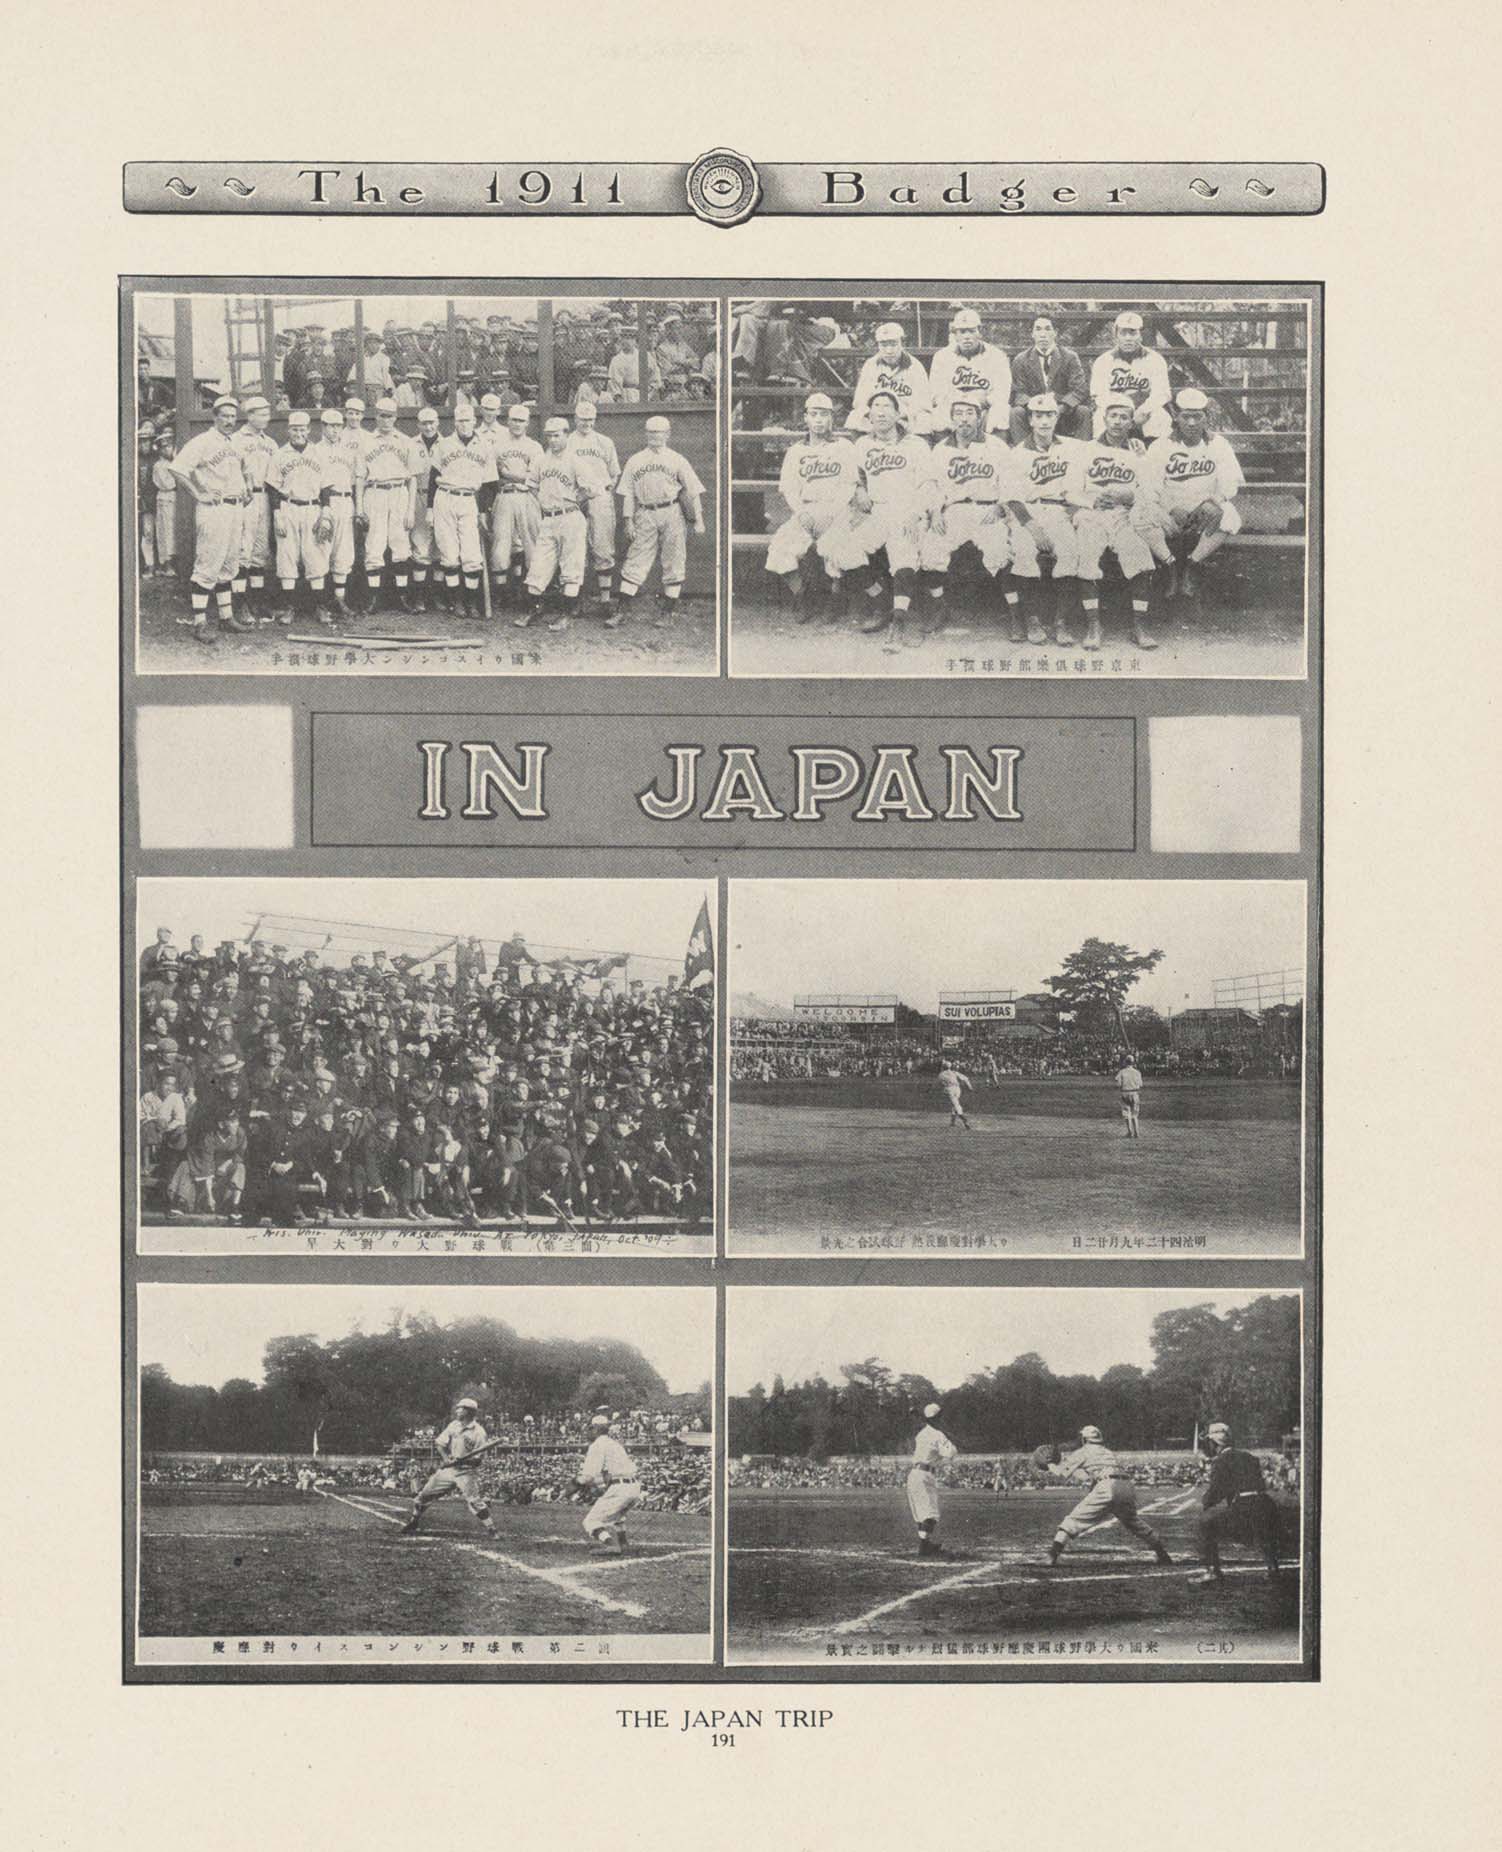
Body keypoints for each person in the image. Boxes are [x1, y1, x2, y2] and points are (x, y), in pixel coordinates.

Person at [824, 390, 937, 646]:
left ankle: (899, 621)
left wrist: (917, 513)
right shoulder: (862, 444)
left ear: (898, 414)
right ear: (869, 415)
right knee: (845, 554)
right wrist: (860, 489)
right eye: (876, 407)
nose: (882, 412)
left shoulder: (916, 444)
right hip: (877, 511)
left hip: (908, 510)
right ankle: (883, 601)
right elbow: (852, 478)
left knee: (904, 558)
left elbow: (928, 484)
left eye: (888, 407)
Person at [1069, 395, 1162, 651]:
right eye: (1113, 416)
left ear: (1132, 422)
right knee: (1086, 556)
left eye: (1124, 417)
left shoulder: (1137, 452)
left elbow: (1150, 491)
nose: (1118, 422)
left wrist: (1129, 495)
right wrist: (1092, 502)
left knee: (1140, 555)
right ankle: (1093, 624)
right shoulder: (1086, 450)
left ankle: (1139, 625)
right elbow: (1070, 490)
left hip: (1124, 514)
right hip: (1091, 514)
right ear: (1104, 418)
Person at [763, 391, 861, 621]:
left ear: (831, 419)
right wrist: (800, 512)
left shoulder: (844, 447)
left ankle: (836, 599)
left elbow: (849, 485)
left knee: (835, 550)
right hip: (806, 509)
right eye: (814, 414)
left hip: (837, 510)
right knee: (780, 548)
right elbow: (789, 489)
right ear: (805, 418)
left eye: (824, 415)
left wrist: (834, 512)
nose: (819, 420)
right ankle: (805, 596)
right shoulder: (796, 451)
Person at [919, 397, 1013, 631]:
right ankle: (939, 606)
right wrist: (935, 511)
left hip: (986, 509)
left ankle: (1015, 612)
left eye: (970, 412)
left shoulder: (996, 446)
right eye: (958, 413)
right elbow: (931, 484)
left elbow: (1012, 482)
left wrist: (1000, 507)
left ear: (980, 417)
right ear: (951, 419)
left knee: (1000, 551)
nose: (964, 418)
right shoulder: (941, 449)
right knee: (931, 548)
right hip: (954, 510)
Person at [1145, 388, 1246, 601]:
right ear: (1176, 417)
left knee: (1230, 515)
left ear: (1206, 418)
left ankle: (1192, 565)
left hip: (1206, 506)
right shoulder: (1161, 446)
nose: (1191, 423)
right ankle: (1170, 565)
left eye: (1197, 416)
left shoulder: (1219, 444)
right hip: (1171, 506)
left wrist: (1215, 501)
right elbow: (1149, 486)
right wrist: (1168, 508)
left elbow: (1230, 481)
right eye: (1186, 416)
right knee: (1142, 514)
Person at [1002, 391, 1086, 646]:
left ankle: (1061, 621)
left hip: (1060, 511)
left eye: (1049, 415)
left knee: (1070, 553)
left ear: (1057, 417)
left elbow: (1078, 491)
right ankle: (1032, 619)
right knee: (1025, 552)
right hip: (1028, 512)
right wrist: (1033, 527)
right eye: (1038, 415)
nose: (1044, 421)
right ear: (1030, 420)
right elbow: (1012, 498)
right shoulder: (1016, 453)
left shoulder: (1073, 448)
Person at [167, 395, 253, 642]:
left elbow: (242, 469)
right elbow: (177, 468)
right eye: (224, 416)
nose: (229, 420)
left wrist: (246, 487)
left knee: (228, 565)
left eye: (232, 416)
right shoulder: (202, 441)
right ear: (214, 417)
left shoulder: (235, 443)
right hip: (214, 509)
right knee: (208, 565)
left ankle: (226, 618)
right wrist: (198, 494)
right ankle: (200, 622)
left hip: (235, 508)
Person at [615, 416, 706, 627]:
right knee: (636, 559)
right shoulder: (635, 460)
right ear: (645, 434)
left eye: (659, 432)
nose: (655, 436)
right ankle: (622, 610)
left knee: (674, 559)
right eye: (651, 432)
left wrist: (699, 519)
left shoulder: (677, 459)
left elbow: (693, 491)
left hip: (672, 510)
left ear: (668, 434)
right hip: (645, 512)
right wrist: (628, 520)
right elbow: (628, 493)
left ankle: (667, 613)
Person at [1040, 1426, 1175, 1568]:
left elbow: (1060, 1473)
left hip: (1107, 1486)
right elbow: (1086, 1475)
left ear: (1084, 1439)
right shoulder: (1108, 1452)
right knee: (1134, 1523)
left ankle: (1051, 1556)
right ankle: (1163, 1554)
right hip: (1126, 1486)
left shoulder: (1083, 1452)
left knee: (1073, 1520)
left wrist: (1049, 1464)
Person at [1188, 1422, 1285, 1585]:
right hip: (1266, 1504)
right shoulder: (1249, 1457)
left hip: (1246, 1506)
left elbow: (1216, 1491)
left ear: (1215, 1442)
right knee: (1264, 1535)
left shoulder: (1220, 1460)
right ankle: (1273, 1569)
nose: (1208, 1446)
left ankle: (1212, 1572)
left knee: (1205, 1525)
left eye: (1209, 1443)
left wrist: (1206, 1503)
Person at [427, 403, 499, 617]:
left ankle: (472, 603)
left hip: (469, 500)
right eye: (459, 420)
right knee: (449, 553)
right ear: (454, 423)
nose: (463, 424)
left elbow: (490, 483)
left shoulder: (484, 446)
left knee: (471, 554)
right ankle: (456, 602)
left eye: (467, 420)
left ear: (474, 421)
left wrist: (484, 511)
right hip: (445, 498)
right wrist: (429, 509)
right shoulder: (444, 444)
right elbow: (433, 478)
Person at [357, 397, 423, 613]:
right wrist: (359, 509)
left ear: (396, 417)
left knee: (400, 545)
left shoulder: (406, 441)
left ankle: (402, 598)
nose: (386, 420)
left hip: (399, 492)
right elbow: (359, 477)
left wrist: (411, 509)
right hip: (375, 492)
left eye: (390, 416)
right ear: (376, 416)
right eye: (382, 415)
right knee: (374, 545)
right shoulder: (365, 441)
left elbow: (413, 477)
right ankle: (373, 599)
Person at [400, 1398, 499, 1537]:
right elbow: (440, 1443)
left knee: (474, 1501)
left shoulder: (479, 1432)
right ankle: (414, 1521)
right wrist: (447, 1458)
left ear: (468, 1411)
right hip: (449, 1470)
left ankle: (492, 1529)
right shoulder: (453, 1425)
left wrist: (462, 1462)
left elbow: (478, 1461)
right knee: (422, 1496)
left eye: (460, 1408)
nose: (457, 1410)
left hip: (467, 1472)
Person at [264, 411, 329, 622]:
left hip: (313, 508)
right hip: (288, 507)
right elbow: (273, 488)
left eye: (302, 429)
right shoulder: (280, 454)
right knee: (287, 556)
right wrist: (277, 515)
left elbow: (326, 487)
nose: (299, 433)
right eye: (294, 429)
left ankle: (320, 607)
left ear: (309, 430)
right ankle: (289, 607)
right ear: (288, 431)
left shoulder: (319, 453)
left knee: (315, 556)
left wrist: (325, 514)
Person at [566, 399, 622, 611]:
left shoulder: (604, 442)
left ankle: (605, 600)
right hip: (575, 498)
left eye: (590, 419)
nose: (586, 423)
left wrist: (604, 491)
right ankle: (576, 600)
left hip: (599, 497)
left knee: (602, 546)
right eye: (582, 419)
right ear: (575, 419)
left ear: (595, 420)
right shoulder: (568, 441)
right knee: (575, 547)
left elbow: (615, 473)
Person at [487, 404, 544, 608]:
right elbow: (491, 477)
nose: (517, 424)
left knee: (531, 543)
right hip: (504, 495)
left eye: (521, 421)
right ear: (507, 421)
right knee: (501, 543)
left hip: (527, 496)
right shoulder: (497, 445)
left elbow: (535, 477)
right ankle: (501, 593)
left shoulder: (534, 446)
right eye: (513, 420)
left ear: (527, 423)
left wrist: (509, 475)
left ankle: (529, 592)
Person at [1089, 311, 1173, 439]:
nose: (1128, 338)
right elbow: (1099, 395)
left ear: (1140, 335)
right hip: (1115, 409)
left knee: (1160, 418)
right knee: (1100, 418)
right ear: (1116, 336)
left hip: (1145, 410)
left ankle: (1155, 456)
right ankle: (1105, 455)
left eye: (1133, 332)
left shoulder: (1155, 359)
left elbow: (1162, 393)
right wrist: (1119, 412)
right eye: (1123, 333)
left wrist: (1144, 410)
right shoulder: (1104, 361)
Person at [927, 308, 1011, 436]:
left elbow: (1002, 393)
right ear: (955, 334)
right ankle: (945, 452)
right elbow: (937, 393)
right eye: (962, 331)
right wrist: (960, 404)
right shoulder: (941, 357)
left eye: (971, 331)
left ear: (980, 332)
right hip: (954, 409)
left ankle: (996, 452)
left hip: (983, 410)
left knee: (1001, 410)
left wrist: (982, 403)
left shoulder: (997, 356)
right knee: (939, 413)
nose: (966, 336)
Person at [1008, 315, 1090, 441]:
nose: (1043, 334)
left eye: (1047, 329)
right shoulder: (1021, 360)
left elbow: (1079, 390)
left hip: (1062, 413)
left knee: (1083, 411)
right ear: (1032, 334)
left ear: (1055, 333)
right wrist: (1036, 407)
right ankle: (1024, 454)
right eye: (1038, 329)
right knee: (1016, 413)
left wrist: (1060, 407)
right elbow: (1018, 392)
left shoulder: (1070, 357)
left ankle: (1081, 456)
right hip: (1034, 413)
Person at [848, 321, 935, 436]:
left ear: (902, 343)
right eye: (884, 345)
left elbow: (923, 404)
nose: (889, 350)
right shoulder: (871, 365)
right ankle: (862, 451)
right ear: (878, 345)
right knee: (855, 417)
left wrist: (900, 415)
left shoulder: (915, 366)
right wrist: (876, 414)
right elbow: (860, 401)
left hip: (905, 416)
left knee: (924, 420)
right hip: (878, 415)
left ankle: (917, 452)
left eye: (893, 344)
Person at [575, 1414, 642, 1553]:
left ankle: (611, 1544)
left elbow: (588, 1476)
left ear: (596, 1429)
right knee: (618, 1516)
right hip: (634, 1487)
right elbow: (608, 1474)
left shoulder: (597, 1445)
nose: (588, 1432)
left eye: (590, 1429)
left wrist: (570, 1487)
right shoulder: (616, 1445)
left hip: (620, 1488)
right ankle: (623, 1543)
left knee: (590, 1522)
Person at [907, 1403, 959, 1557]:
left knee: (922, 1513)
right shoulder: (938, 1435)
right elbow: (950, 1453)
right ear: (937, 1418)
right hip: (925, 1475)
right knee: (931, 1514)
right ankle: (924, 1546)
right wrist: (949, 1441)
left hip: (914, 1475)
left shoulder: (922, 1434)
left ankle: (926, 1543)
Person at [937, 1061, 973, 1129]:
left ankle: (964, 1120)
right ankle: (952, 1122)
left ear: (943, 1066)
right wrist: (970, 1087)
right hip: (958, 1089)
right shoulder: (954, 1072)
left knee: (956, 1105)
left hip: (949, 1090)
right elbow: (965, 1079)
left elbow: (939, 1084)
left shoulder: (941, 1074)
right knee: (955, 1104)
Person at [1115, 1053, 1144, 1138]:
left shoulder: (1122, 1072)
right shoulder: (1137, 1072)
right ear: (1133, 1062)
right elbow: (1140, 1084)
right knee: (1134, 1114)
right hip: (1134, 1093)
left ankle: (1130, 1132)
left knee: (1126, 1114)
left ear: (1125, 1062)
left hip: (1125, 1093)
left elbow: (1118, 1084)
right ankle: (1136, 1132)